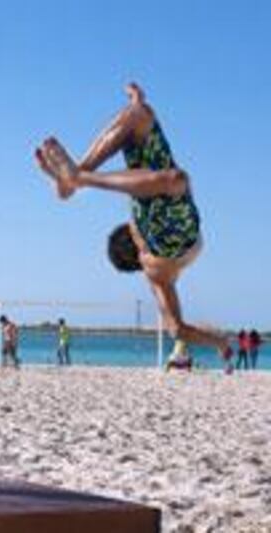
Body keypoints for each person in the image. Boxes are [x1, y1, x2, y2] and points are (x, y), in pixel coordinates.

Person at [35, 82, 233, 372]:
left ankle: (76, 179)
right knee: (167, 169)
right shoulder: (149, 251)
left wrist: (219, 343)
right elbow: (171, 180)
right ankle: (79, 178)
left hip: (177, 233)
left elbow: (176, 329)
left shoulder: (156, 277)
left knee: (141, 119)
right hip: (173, 235)